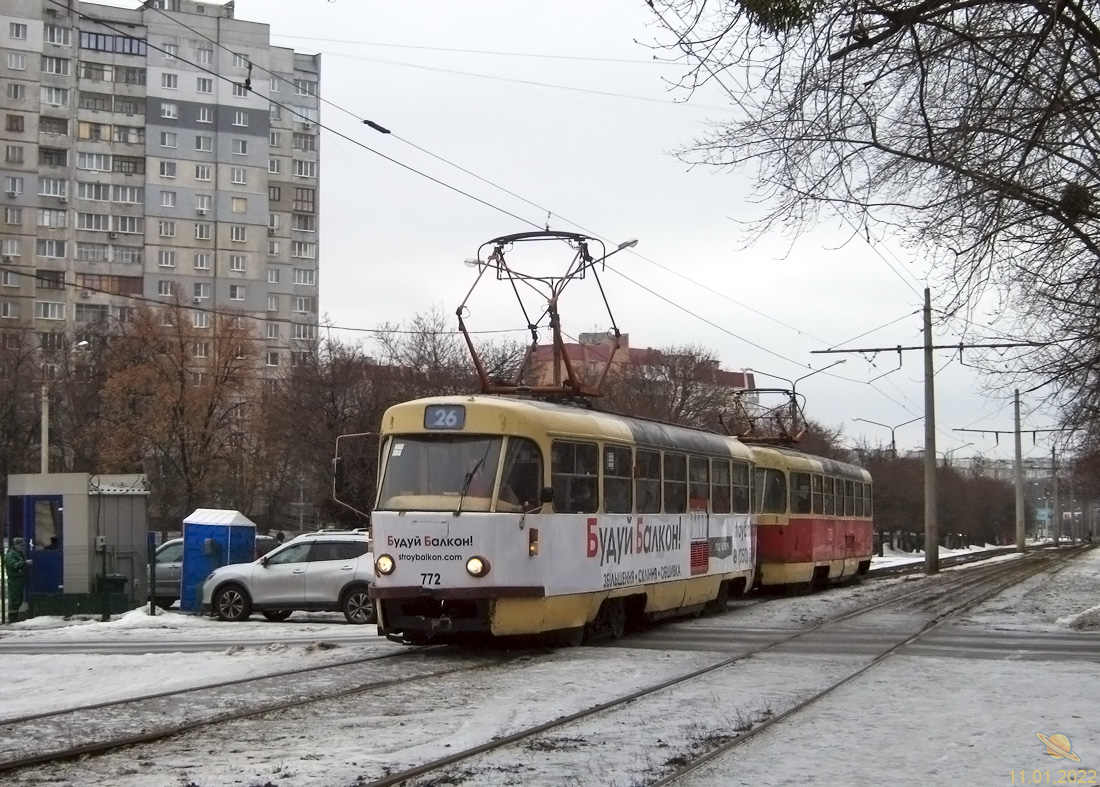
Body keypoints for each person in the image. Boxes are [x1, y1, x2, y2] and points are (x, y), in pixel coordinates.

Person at [4, 538, 28, 622]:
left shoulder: (18, 553)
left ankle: (14, 618)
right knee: (14, 599)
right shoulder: (11, 555)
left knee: (18, 599)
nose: (22, 547)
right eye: (21, 545)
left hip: (18, 579)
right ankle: (12, 619)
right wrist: (24, 563)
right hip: (14, 579)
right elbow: (14, 565)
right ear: (16, 545)